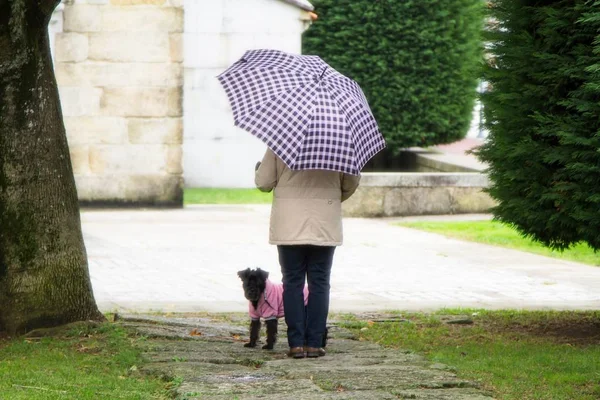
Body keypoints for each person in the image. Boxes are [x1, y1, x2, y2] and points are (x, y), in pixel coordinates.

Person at [254, 148, 360, 358]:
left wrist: (258, 169)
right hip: (324, 223)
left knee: (292, 282)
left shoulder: (280, 141)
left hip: (289, 224)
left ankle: (295, 344)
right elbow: (350, 184)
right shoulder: (339, 143)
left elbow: (263, 183)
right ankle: (314, 343)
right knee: (319, 282)